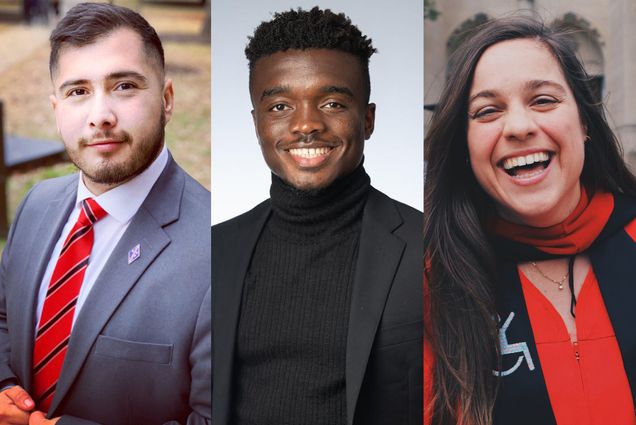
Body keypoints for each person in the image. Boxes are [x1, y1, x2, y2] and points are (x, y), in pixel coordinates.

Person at [0, 3, 211, 424]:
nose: (100, 117)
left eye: (125, 86)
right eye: (78, 91)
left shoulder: (223, 250)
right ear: (57, 107)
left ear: (167, 100)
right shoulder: (36, 204)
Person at [212, 7, 423, 425]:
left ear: (368, 118)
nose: (306, 125)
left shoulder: (428, 245)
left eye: (331, 103)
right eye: (280, 107)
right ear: (256, 124)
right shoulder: (216, 249)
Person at [424, 16, 636, 425]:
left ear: (584, 121)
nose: (519, 127)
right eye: (487, 111)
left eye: (543, 100)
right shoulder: (434, 285)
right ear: (464, 145)